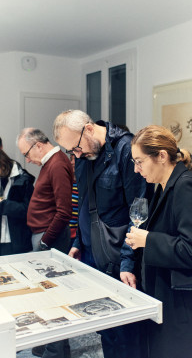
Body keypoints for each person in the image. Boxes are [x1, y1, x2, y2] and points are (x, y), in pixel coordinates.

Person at [53, 109, 154, 358]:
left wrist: (129, 261)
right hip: (93, 256)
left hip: (121, 258)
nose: (76, 155)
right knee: (106, 330)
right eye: (71, 152)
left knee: (128, 337)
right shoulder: (85, 157)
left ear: (88, 128)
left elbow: (139, 211)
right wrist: (78, 241)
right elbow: (85, 206)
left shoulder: (125, 150)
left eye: (76, 148)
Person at [121, 125, 192, 358]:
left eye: (140, 162)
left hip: (184, 304)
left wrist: (148, 240)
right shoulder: (163, 186)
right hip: (168, 297)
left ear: (161, 156)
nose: (136, 169)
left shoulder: (186, 186)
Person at [17, 128, 73, 358]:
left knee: (53, 298)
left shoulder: (57, 163)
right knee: (44, 295)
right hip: (43, 236)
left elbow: (64, 211)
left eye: (27, 153)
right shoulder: (49, 163)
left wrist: (45, 242)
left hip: (49, 239)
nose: (27, 160)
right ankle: (48, 345)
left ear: (38, 145)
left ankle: (55, 352)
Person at [0, 146, 35, 256]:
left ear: (1, 161)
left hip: (15, 239)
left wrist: (4, 205)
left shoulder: (23, 179)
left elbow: (28, 210)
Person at [68, 154, 78, 249]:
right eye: (71, 159)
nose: (72, 162)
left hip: (76, 236)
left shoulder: (83, 184)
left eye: (74, 159)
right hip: (64, 234)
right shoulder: (66, 182)